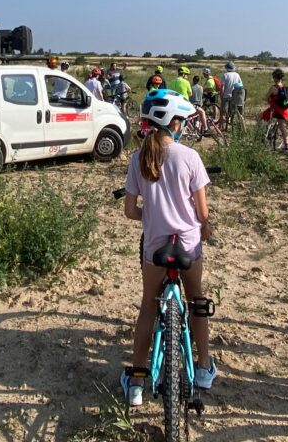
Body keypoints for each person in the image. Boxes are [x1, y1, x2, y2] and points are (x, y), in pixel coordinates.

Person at [120, 88, 216, 406]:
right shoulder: (189, 156)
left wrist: (153, 216)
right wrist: (205, 227)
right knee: (196, 300)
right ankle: (203, 367)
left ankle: (137, 381)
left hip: (155, 245)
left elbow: (130, 211)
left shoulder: (138, 158)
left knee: (149, 304)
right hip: (188, 243)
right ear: (175, 123)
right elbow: (202, 212)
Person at [264, 68, 288, 151]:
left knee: (261, 116)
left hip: (275, 110)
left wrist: (270, 103)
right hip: (284, 111)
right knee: (282, 127)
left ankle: (266, 135)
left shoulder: (273, 88)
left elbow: (266, 98)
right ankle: (286, 146)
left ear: (275, 77)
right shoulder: (284, 88)